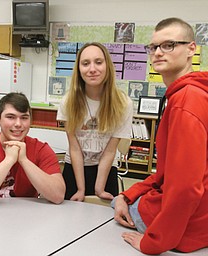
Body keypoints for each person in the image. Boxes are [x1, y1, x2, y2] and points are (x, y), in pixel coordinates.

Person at [112, 17, 208, 255]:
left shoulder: (186, 101)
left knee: (114, 204)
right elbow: (167, 173)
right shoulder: (188, 94)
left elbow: (185, 187)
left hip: (186, 229)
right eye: (153, 47)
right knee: (121, 198)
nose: (157, 53)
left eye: (169, 45)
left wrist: (153, 243)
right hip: (200, 221)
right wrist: (129, 193)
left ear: (191, 49)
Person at [57, 42, 133, 201]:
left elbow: (110, 150)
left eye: (98, 62)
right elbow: (75, 148)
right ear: (79, 69)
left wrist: (99, 188)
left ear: (108, 66)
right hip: (74, 170)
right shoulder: (68, 101)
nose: (92, 69)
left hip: (105, 172)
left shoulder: (123, 103)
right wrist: (81, 189)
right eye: (85, 63)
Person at [0, 92, 66, 207]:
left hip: (28, 217)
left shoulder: (41, 149)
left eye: (24, 118)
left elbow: (58, 196)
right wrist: (9, 160)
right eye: (11, 117)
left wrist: (24, 160)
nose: (18, 124)